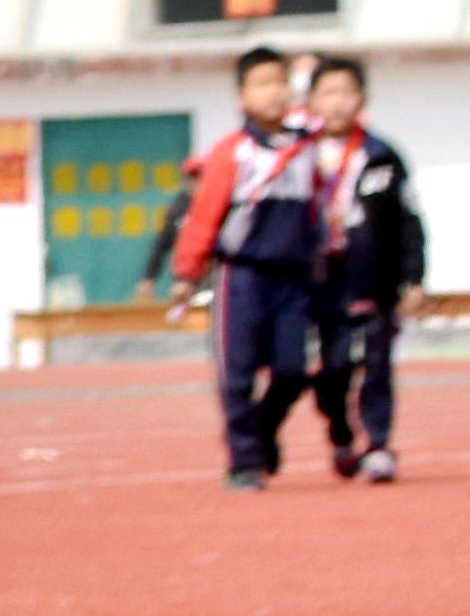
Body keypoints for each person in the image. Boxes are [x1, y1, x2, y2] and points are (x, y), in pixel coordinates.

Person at [166, 43, 346, 491]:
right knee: (238, 372)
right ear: (240, 99)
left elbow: (333, 118)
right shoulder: (233, 153)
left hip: (293, 276)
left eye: (280, 82)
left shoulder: (306, 147)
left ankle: (264, 430)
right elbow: (206, 214)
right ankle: (244, 461)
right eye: (262, 84)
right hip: (241, 275)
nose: (274, 93)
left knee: (291, 371)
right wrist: (188, 273)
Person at [295, 57, 417, 485]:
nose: (337, 103)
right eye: (327, 93)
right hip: (317, 279)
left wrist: (414, 278)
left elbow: (409, 221)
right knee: (332, 369)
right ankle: (342, 433)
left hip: (371, 274)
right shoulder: (296, 156)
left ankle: (379, 445)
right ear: (310, 102)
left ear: (362, 99)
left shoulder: (382, 157)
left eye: (346, 92)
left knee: (377, 361)